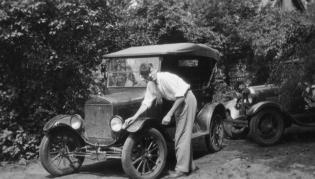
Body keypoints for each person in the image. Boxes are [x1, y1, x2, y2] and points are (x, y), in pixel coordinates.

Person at [123, 63, 198, 178]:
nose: (149, 77)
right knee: (183, 135)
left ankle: (181, 170)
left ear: (153, 70)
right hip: (179, 103)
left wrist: (169, 114)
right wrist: (134, 116)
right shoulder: (151, 84)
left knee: (181, 136)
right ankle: (190, 166)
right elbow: (146, 102)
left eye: (150, 74)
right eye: (146, 76)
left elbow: (181, 96)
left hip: (187, 99)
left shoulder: (165, 77)